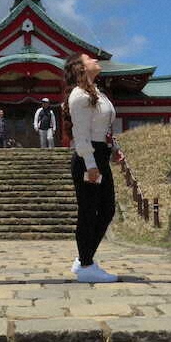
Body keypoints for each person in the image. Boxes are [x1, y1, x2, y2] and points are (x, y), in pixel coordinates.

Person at [64, 53, 118, 283]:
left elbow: (102, 128)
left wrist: (113, 148)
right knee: (88, 212)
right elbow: (81, 134)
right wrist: (91, 164)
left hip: (101, 154)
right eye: (89, 58)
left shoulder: (97, 92)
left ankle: (84, 257)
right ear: (80, 67)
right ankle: (86, 264)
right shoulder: (79, 96)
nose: (95, 59)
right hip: (89, 158)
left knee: (106, 210)